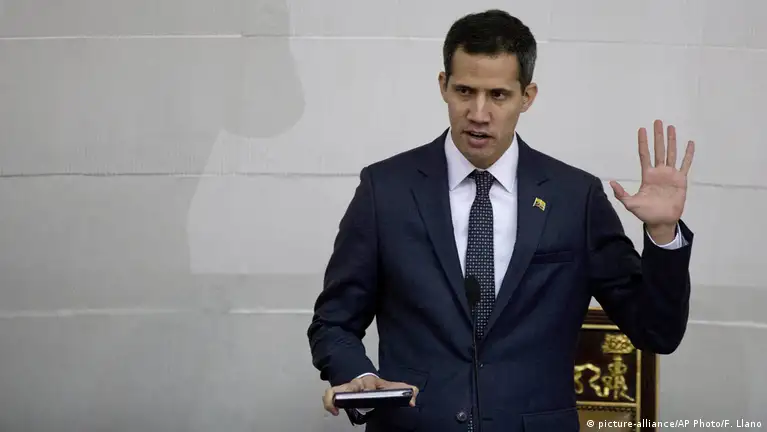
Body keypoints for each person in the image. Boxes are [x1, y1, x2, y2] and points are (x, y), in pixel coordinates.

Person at [307, 9, 695, 432]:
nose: (478, 113)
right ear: (443, 86)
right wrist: (359, 375)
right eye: (465, 91)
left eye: (498, 95)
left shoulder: (575, 197)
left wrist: (663, 235)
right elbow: (334, 321)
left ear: (527, 96)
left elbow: (657, 332)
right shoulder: (386, 189)